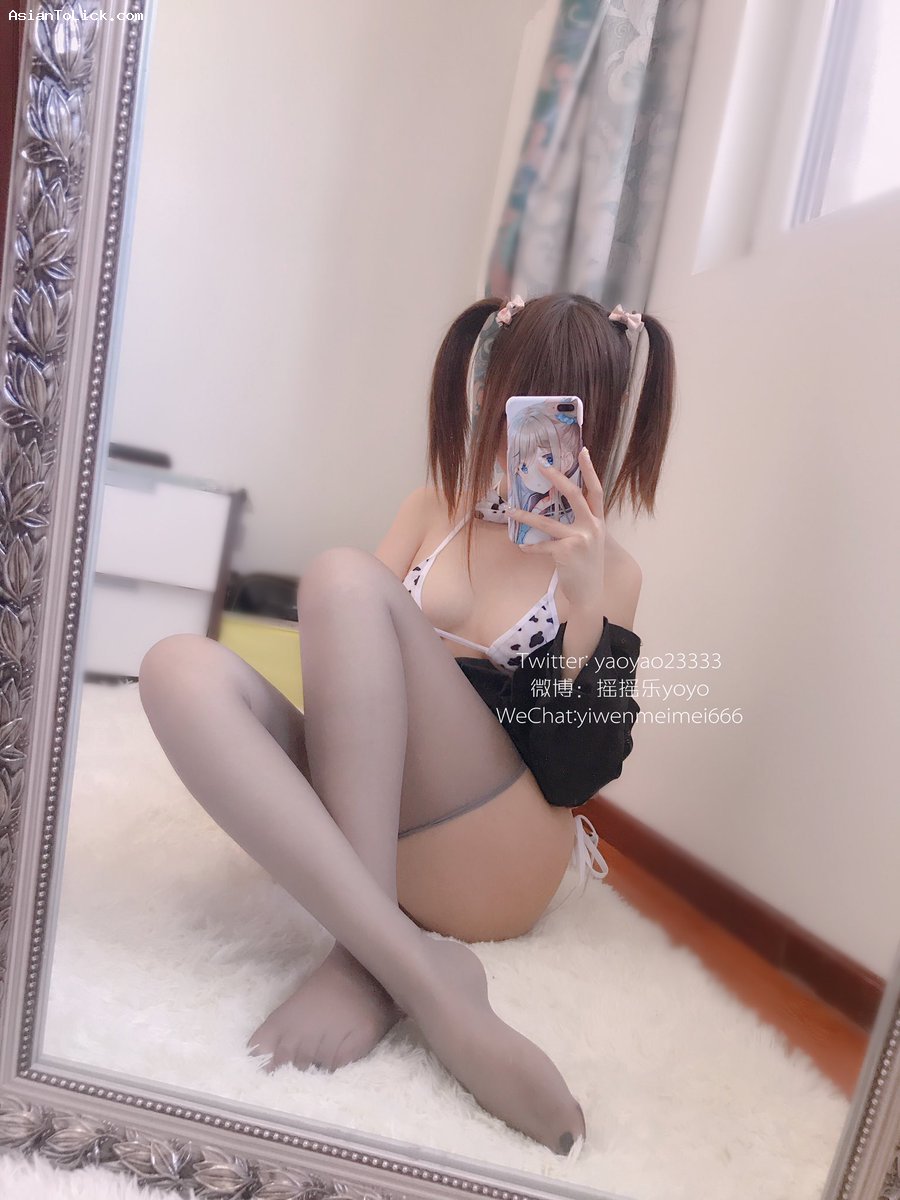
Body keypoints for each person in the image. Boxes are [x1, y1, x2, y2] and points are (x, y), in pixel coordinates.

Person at [137, 292, 675, 1157]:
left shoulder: (613, 574)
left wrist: (583, 608)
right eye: (525, 407)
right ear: (489, 393)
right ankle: (415, 968)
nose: (540, 442)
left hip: (495, 851)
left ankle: (369, 963)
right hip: (383, 817)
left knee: (344, 576)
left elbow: (575, 777)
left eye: (566, 419)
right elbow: (338, 671)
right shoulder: (433, 508)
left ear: (600, 427)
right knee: (178, 667)